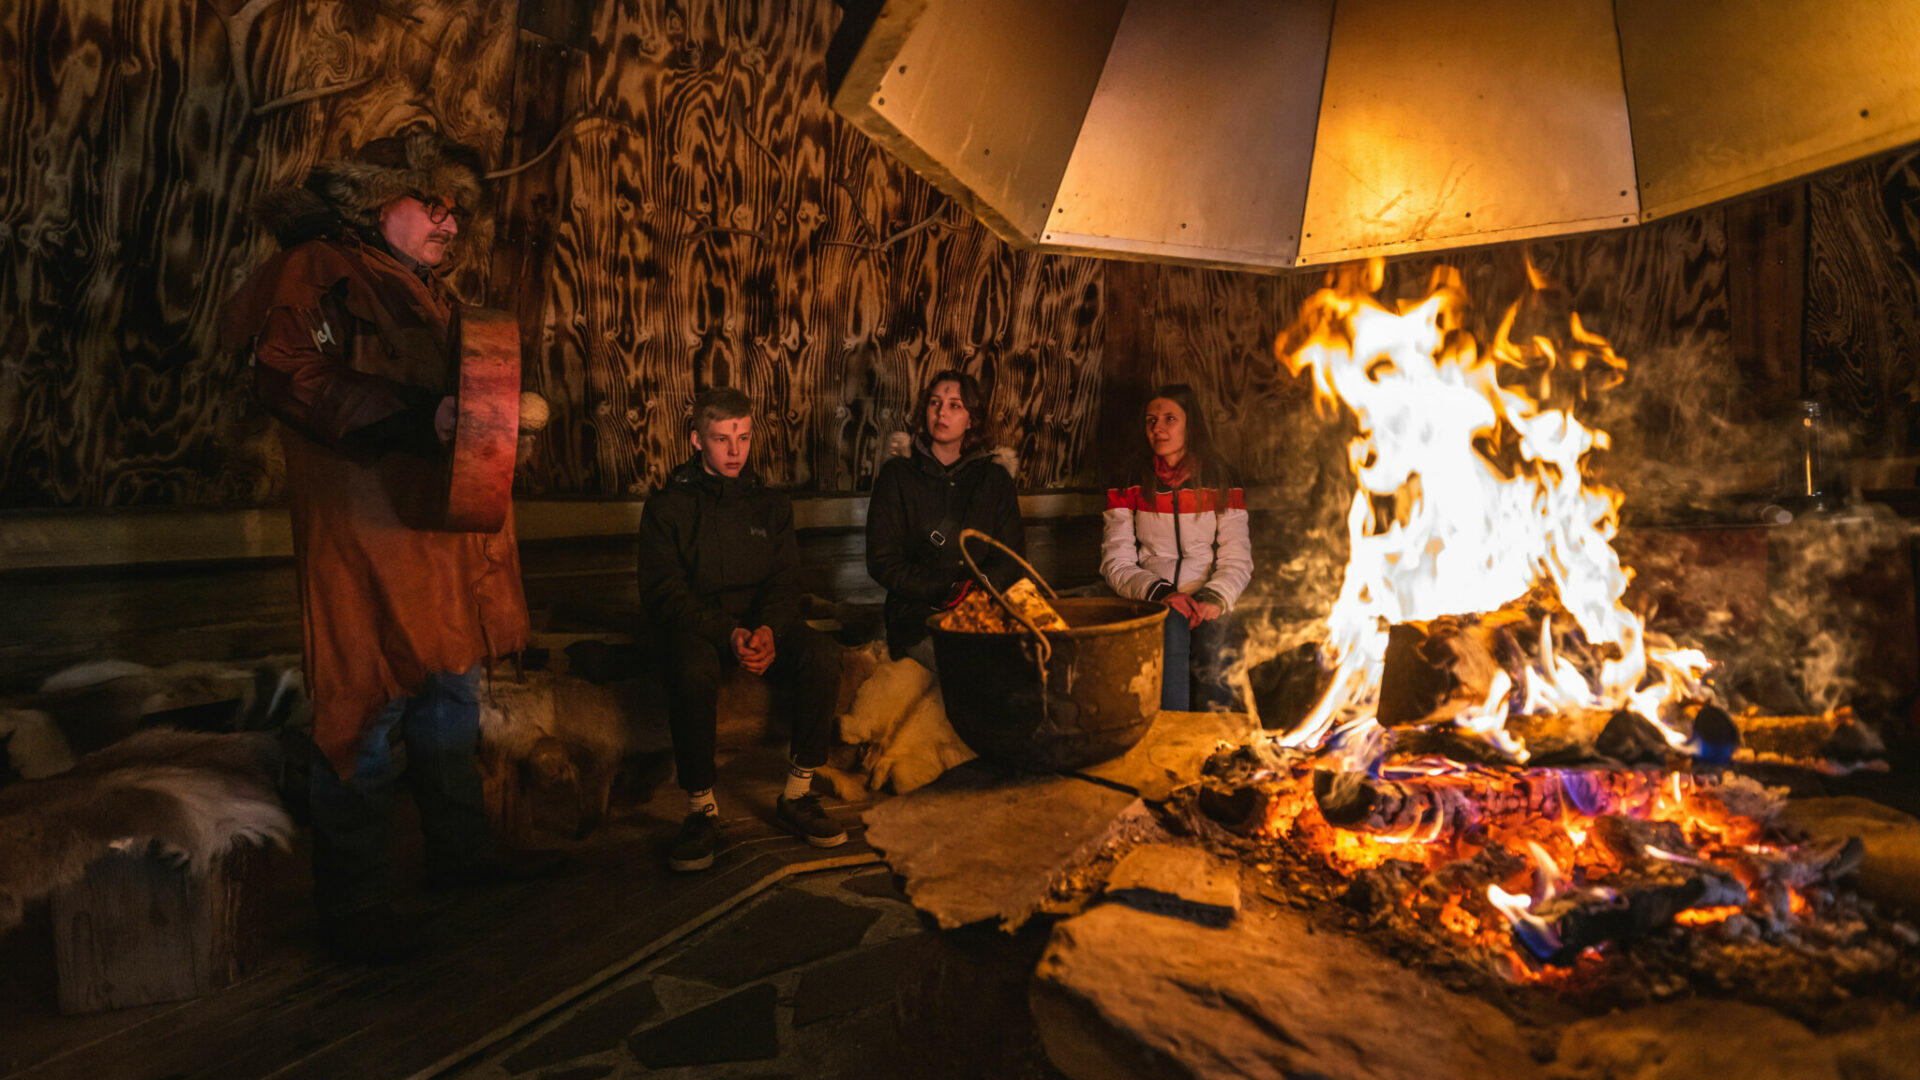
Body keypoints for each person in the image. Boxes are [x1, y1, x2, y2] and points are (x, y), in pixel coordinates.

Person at [218, 128, 545, 963]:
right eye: (430, 202)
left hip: (438, 539)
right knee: (361, 702)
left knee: (449, 690)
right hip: (364, 535)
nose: (449, 222)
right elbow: (293, 376)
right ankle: (355, 904)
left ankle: (459, 853)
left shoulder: (432, 296)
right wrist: (411, 417)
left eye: (457, 210)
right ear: (372, 200)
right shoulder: (318, 269)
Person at [637, 387, 846, 872]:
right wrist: (728, 635)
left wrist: (771, 628)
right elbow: (665, 595)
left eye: (744, 438)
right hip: (700, 627)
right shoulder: (668, 508)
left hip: (761, 623)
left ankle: (798, 793)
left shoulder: (770, 505)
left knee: (823, 654)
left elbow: (784, 581)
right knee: (691, 668)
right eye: (721, 439)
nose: (735, 452)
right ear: (696, 440)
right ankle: (700, 809)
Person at [1101, 384, 1253, 711]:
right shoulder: (1129, 479)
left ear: (1190, 424)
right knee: (1169, 625)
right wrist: (1161, 593)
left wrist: (1214, 598)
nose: (1158, 428)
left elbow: (1237, 557)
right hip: (1152, 595)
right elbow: (1116, 561)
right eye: (1151, 420)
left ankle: (1217, 741)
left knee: (1217, 637)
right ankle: (1173, 736)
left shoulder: (1220, 478)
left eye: (1170, 419)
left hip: (1207, 594)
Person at [866, 369, 1026, 668]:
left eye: (955, 405)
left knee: (1031, 661)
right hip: (916, 615)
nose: (942, 412)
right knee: (971, 665)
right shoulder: (898, 475)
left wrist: (980, 589)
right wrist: (947, 590)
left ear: (972, 418)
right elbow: (882, 561)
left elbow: (1011, 558)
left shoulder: (994, 479)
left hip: (984, 610)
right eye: (935, 403)